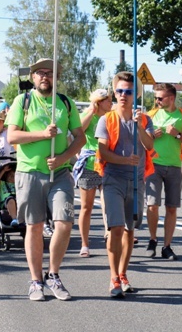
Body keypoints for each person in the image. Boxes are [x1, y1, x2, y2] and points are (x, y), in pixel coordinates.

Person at [6, 58, 85, 301]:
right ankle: (36, 280)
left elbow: (80, 138)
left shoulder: (65, 103)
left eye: (49, 73)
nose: (44, 77)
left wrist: (63, 158)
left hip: (59, 173)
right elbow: (12, 136)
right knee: (35, 226)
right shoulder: (23, 101)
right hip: (29, 172)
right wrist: (42, 134)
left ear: (55, 77)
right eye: (39, 73)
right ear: (32, 77)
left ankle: (53, 275)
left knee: (64, 222)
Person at [96, 72, 154, 297]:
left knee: (130, 231)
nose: (123, 95)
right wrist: (124, 160)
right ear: (114, 93)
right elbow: (103, 152)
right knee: (116, 228)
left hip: (137, 182)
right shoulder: (106, 119)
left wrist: (140, 127)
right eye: (119, 91)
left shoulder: (145, 119)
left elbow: (149, 146)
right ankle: (113, 278)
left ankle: (123, 274)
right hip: (113, 179)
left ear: (135, 95)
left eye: (128, 92)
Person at [146, 83, 182, 260]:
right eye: (156, 98)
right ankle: (153, 239)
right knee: (152, 205)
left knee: (171, 208)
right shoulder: (151, 115)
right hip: (153, 164)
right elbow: (141, 139)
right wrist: (152, 135)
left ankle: (166, 246)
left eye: (160, 98)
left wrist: (177, 135)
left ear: (171, 98)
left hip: (174, 166)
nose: (157, 101)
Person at [73, 89, 112, 258]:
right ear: (99, 102)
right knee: (86, 207)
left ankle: (108, 234)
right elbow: (78, 130)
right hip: (89, 165)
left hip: (107, 163)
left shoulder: (111, 117)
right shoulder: (89, 115)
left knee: (108, 203)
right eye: (108, 100)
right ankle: (84, 244)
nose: (111, 103)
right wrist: (91, 111)